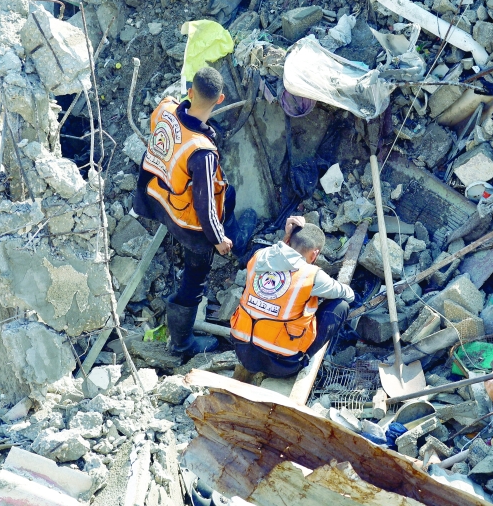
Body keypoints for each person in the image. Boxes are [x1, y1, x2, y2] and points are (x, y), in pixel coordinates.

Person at [134, 66, 238, 359]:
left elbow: (166, 105)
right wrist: (217, 239)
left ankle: (229, 233)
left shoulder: (167, 110)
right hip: (186, 221)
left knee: (228, 193)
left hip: (158, 198)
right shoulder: (202, 151)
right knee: (196, 275)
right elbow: (204, 207)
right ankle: (181, 344)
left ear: (189, 93)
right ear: (220, 100)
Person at [230, 216, 354, 384]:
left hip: (243, 351)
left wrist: (286, 235)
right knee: (341, 305)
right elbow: (348, 295)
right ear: (315, 254)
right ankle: (305, 358)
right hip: (282, 365)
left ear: (288, 240)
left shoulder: (259, 256)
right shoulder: (311, 275)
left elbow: (277, 255)